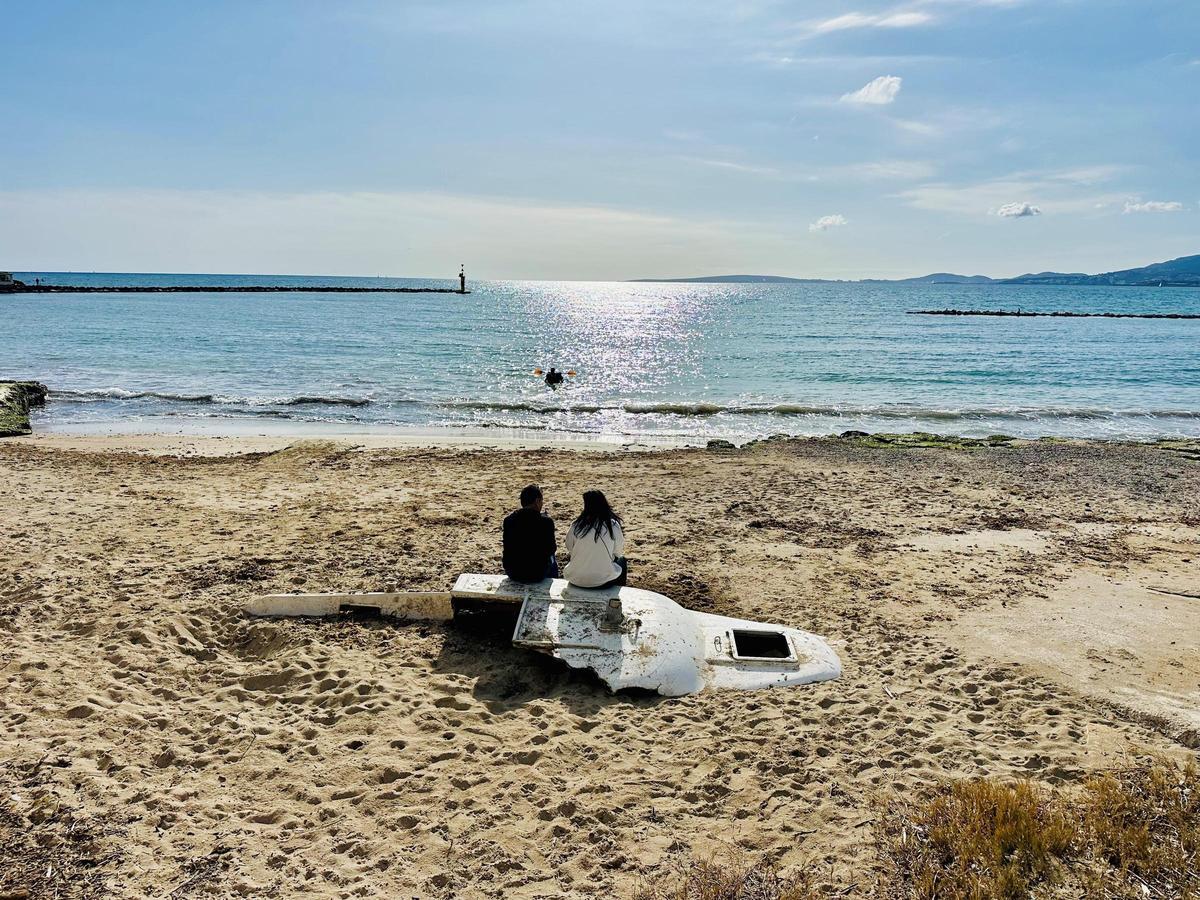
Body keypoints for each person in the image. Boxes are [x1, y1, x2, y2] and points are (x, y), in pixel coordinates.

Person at [564, 490, 627, 588]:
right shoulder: (613, 525)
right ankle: (616, 596)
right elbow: (618, 552)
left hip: (575, 580)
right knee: (622, 561)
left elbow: (569, 547)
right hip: (603, 583)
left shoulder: (576, 525)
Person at [502, 484, 558, 583]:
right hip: (537, 574)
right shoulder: (546, 522)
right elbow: (551, 549)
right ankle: (554, 582)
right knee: (552, 558)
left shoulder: (509, 520)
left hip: (513, 572)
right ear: (537, 501)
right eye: (541, 501)